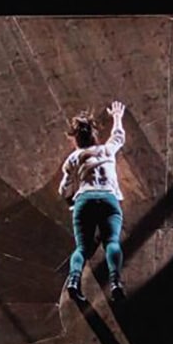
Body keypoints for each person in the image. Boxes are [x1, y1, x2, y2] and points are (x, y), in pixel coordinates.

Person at [58, 100, 127, 304]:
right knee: (112, 242)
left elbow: (64, 190)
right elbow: (118, 137)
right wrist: (117, 117)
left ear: (76, 139)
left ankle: (74, 280)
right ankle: (115, 283)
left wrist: (70, 194)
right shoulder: (106, 151)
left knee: (82, 248)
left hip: (84, 200)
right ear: (93, 135)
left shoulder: (73, 159)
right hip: (108, 199)